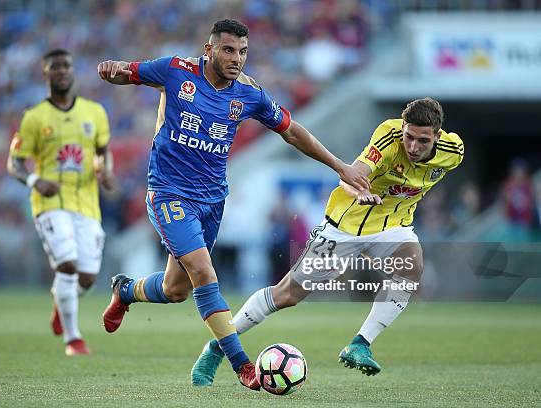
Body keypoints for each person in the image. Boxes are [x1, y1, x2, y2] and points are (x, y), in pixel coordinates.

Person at [96, 19, 369, 390]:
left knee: (178, 290)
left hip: (212, 200)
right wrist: (113, 71)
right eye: (228, 50)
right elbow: (128, 72)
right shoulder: (176, 71)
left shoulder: (249, 94)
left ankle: (125, 290)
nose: (236, 58)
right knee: (205, 273)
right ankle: (243, 366)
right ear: (209, 49)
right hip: (169, 193)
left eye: (242, 52)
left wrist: (340, 166)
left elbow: (291, 131)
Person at [190, 97, 464, 384]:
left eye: (422, 140)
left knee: (412, 265)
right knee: (287, 295)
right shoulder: (389, 134)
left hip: (393, 227)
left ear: (437, 135)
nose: (413, 147)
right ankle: (218, 346)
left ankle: (360, 343)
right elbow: (351, 174)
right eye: (409, 137)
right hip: (343, 226)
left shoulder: (454, 152)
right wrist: (357, 190)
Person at [7, 49, 115, 356]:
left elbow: (103, 150)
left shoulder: (95, 112)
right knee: (67, 264)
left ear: (73, 70)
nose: (62, 71)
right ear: (46, 73)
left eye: (66, 66)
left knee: (88, 277)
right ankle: (73, 340)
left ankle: (61, 300)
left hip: (87, 204)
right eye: (55, 67)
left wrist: (105, 171)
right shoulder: (34, 117)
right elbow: (14, 162)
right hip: (49, 203)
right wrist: (34, 181)